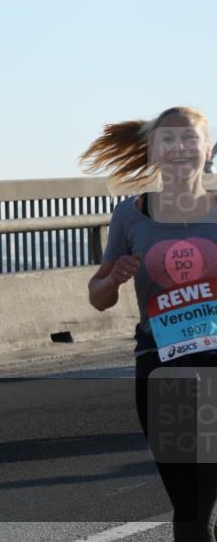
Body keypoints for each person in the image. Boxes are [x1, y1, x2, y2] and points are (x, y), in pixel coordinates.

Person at [84, 106, 217, 541]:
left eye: (190, 139)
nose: (180, 148)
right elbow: (98, 296)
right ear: (153, 152)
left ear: (208, 149)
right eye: (169, 141)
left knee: (198, 497)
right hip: (163, 369)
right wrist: (114, 277)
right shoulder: (130, 215)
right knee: (188, 501)